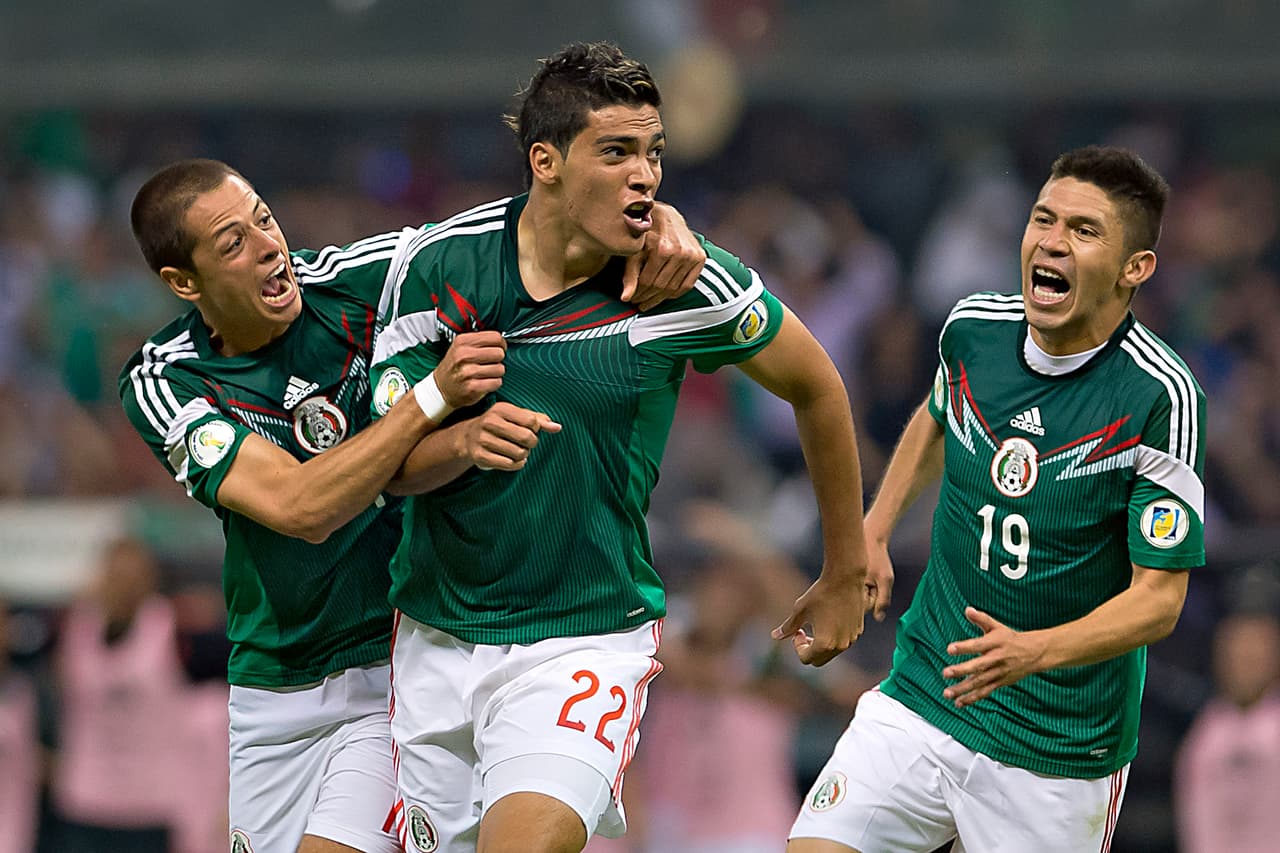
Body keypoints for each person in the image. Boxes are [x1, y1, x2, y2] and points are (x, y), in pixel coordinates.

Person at [118, 157, 705, 853]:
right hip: (272, 686)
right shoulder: (166, 379)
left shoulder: (365, 279)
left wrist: (647, 223)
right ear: (183, 282)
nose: (269, 245)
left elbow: (516, 234)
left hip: (394, 664)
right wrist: (432, 400)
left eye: (264, 219)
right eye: (232, 243)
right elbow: (300, 507)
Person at [370, 41, 871, 853]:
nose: (645, 176)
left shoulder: (683, 282)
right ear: (547, 162)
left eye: (654, 153)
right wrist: (462, 439)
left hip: (584, 639)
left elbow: (818, 384)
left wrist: (845, 567)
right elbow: (386, 466)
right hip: (436, 639)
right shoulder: (439, 267)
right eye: (616, 152)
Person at [788, 145, 1206, 853]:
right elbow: (937, 414)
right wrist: (874, 531)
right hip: (925, 694)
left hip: (1057, 751)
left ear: (1136, 269)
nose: (1051, 240)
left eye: (1084, 229)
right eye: (1044, 218)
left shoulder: (1158, 395)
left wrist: (1034, 651)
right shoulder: (974, 329)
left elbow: (1158, 600)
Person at [1174, 605, 1280, 853]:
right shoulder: (1201, 738)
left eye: (1255, 654)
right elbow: (1195, 821)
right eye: (1237, 653)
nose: (1245, 663)